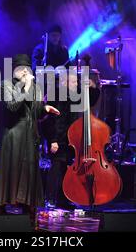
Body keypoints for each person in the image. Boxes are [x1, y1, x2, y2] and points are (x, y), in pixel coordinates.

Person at [0, 54, 60, 222]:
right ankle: (0, 216)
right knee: (8, 174)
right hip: (12, 137)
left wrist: (45, 109)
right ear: (15, 70)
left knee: (28, 176)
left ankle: (28, 217)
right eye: (21, 69)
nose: (25, 72)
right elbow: (12, 106)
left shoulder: (36, 87)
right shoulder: (5, 85)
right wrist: (25, 88)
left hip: (29, 138)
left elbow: (35, 111)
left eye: (27, 69)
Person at [45, 71, 100, 209]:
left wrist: (93, 87)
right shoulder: (55, 95)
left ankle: (64, 198)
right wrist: (52, 140)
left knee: (67, 169)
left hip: (72, 139)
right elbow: (48, 120)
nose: (77, 84)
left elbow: (91, 100)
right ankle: (50, 198)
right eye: (74, 82)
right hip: (57, 138)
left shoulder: (76, 94)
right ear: (65, 83)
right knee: (57, 167)